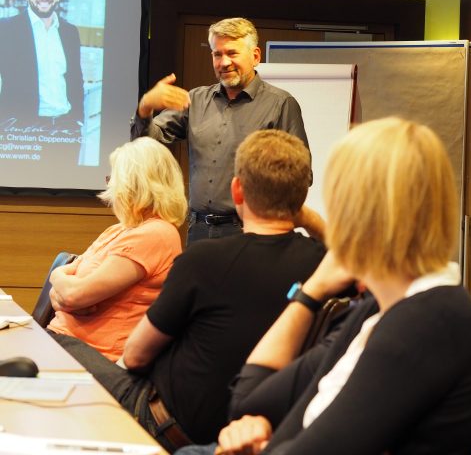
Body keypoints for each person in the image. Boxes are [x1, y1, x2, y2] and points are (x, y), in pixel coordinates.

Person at [179, 117, 471, 455]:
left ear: (357, 216)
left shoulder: (425, 324)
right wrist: (311, 292)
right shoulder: (379, 311)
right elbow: (248, 404)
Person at [53, 129, 325, 453]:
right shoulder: (323, 266)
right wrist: (308, 218)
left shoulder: (204, 260)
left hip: (162, 422)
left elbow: (135, 356)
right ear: (301, 197)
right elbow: (355, 255)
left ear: (237, 190)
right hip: (257, 429)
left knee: (54, 345)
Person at [130, 17, 309, 244]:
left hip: (251, 232)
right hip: (198, 230)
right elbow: (145, 145)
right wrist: (145, 108)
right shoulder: (195, 100)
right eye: (217, 54)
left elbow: (301, 176)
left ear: (255, 56)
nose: (224, 62)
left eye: (232, 53)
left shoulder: (280, 104)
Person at [46, 137, 186, 361]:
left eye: (113, 178)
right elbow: (61, 294)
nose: (110, 186)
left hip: (94, 354)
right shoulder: (119, 230)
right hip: (64, 340)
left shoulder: (155, 234)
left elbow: (72, 294)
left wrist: (60, 283)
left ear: (134, 184)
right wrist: (61, 284)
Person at [0, 0, 84, 135]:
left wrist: (78, 120)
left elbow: (76, 80)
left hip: (65, 128)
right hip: (22, 131)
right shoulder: (6, 30)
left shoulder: (69, 32)